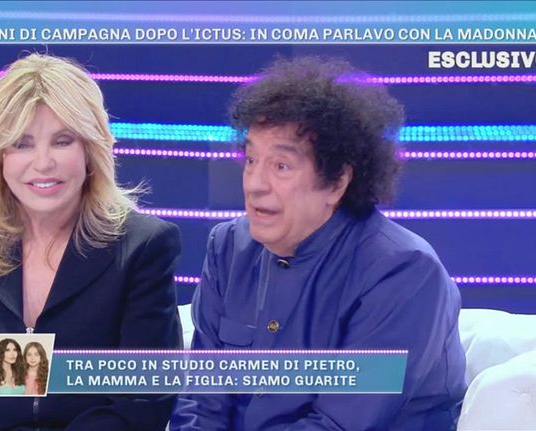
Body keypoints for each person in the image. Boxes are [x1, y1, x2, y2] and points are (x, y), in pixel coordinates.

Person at [170, 57, 467, 430]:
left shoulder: (404, 272)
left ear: (337, 182)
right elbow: (202, 402)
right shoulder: (228, 247)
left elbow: (339, 424)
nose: (254, 184)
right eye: (251, 160)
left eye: (280, 166)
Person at [0, 53, 183, 430]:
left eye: (62, 141)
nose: (43, 163)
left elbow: (142, 399)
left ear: (90, 151)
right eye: (21, 143)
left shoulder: (142, 247)